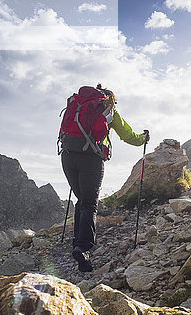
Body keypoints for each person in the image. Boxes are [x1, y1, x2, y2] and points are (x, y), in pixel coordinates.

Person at [60, 84, 148, 272]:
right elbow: (128, 135)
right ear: (110, 99)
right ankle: (83, 248)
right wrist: (143, 139)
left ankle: (77, 242)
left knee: (81, 200)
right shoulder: (108, 108)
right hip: (90, 158)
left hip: (68, 156)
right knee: (90, 204)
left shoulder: (77, 105)